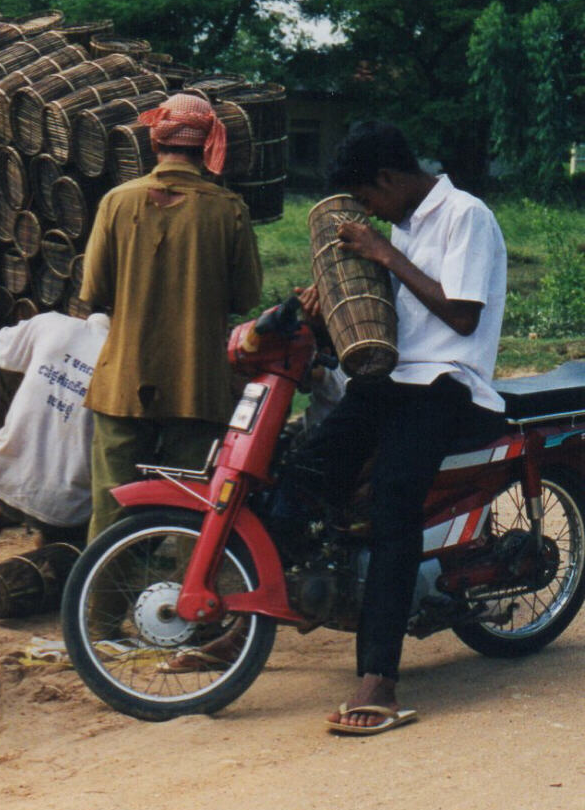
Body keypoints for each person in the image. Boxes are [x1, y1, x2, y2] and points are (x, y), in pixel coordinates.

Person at [290, 120, 507, 735]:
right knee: (303, 472)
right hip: (394, 381)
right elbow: (386, 322)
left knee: (392, 500)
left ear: (390, 178)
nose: (370, 211)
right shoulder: (403, 223)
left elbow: (462, 316)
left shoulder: (466, 216)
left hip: (451, 385)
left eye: (369, 198)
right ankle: (250, 622)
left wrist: (386, 253)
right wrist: (328, 305)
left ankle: (379, 677)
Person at [79, 92, 263, 543]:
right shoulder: (229, 210)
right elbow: (246, 296)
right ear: (206, 146)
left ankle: (99, 610)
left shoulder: (117, 202)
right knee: (192, 505)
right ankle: (188, 603)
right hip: (197, 386)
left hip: (123, 382)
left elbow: (94, 293)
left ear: (155, 142)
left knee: (111, 505)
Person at [0, 300, 110, 567]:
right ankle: (45, 548)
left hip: (4, 481)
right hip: (65, 506)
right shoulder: (124, 357)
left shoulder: (51, 324)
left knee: (17, 450)